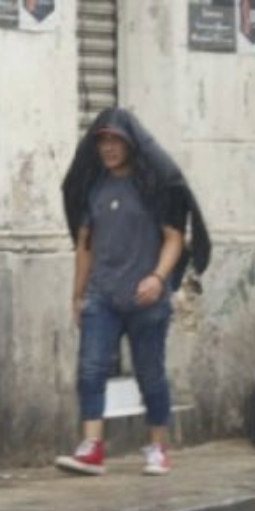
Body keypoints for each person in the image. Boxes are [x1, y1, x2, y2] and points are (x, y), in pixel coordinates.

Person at [56, 107, 211, 476]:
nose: (108, 148)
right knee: (91, 370)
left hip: (147, 300)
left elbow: (175, 239)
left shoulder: (154, 187)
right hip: (102, 296)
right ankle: (92, 446)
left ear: (131, 144)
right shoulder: (93, 188)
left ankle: (157, 447)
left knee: (150, 375)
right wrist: (77, 296)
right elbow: (85, 246)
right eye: (102, 141)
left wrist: (158, 278)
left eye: (115, 141)